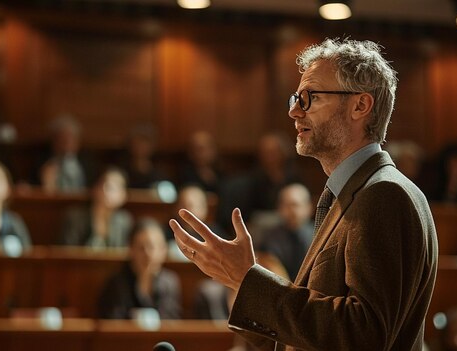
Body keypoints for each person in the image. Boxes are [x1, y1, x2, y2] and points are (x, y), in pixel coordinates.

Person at [169, 38, 438, 350]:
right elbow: (316, 334)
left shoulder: (384, 194)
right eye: (295, 98)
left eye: (311, 98)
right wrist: (240, 283)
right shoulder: (355, 192)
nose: (295, 111)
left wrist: (250, 280)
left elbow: (364, 336)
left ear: (360, 106)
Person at [97, 218, 181, 320]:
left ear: (163, 250)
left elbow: (171, 321)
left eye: (152, 247)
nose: (148, 254)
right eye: (141, 247)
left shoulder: (169, 282)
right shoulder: (116, 283)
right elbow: (113, 323)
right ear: (131, 249)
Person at [59, 167, 133, 249]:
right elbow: (67, 252)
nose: (107, 191)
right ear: (95, 189)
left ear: (123, 195)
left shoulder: (124, 221)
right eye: (105, 185)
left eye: (114, 187)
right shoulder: (75, 217)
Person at [256, 183, 314, 280]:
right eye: (286, 205)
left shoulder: (319, 235)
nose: (292, 211)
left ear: (309, 207)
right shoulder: (269, 238)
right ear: (279, 208)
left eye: (295, 205)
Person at [38, 114, 91, 193]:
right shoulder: (41, 162)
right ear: (54, 141)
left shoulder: (88, 163)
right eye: (62, 140)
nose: (66, 145)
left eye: (70, 140)